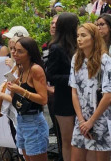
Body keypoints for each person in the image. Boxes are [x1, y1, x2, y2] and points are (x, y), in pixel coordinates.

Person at [69, 23, 111, 161]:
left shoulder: (105, 60)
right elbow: (74, 92)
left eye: (83, 35)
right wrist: (82, 120)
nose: (79, 39)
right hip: (81, 118)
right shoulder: (76, 58)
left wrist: (91, 121)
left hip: (100, 117)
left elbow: (108, 96)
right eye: (78, 35)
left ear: (93, 38)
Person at [45, 13, 78, 161]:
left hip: (78, 97)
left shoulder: (78, 45)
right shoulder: (56, 48)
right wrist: (74, 78)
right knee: (67, 139)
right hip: (64, 98)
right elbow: (51, 75)